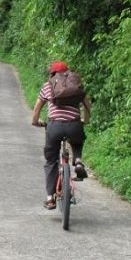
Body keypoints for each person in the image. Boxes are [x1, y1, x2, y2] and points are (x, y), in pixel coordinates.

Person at [30, 61, 91, 209]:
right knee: (77, 141)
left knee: (51, 161)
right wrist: (85, 120)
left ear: (52, 73)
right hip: (74, 125)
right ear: (67, 72)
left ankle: (50, 198)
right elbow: (87, 104)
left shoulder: (48, 85)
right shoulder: (75, 84)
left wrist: (35, 121)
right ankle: (78, 161)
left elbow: (37, 108)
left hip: (54, 126)